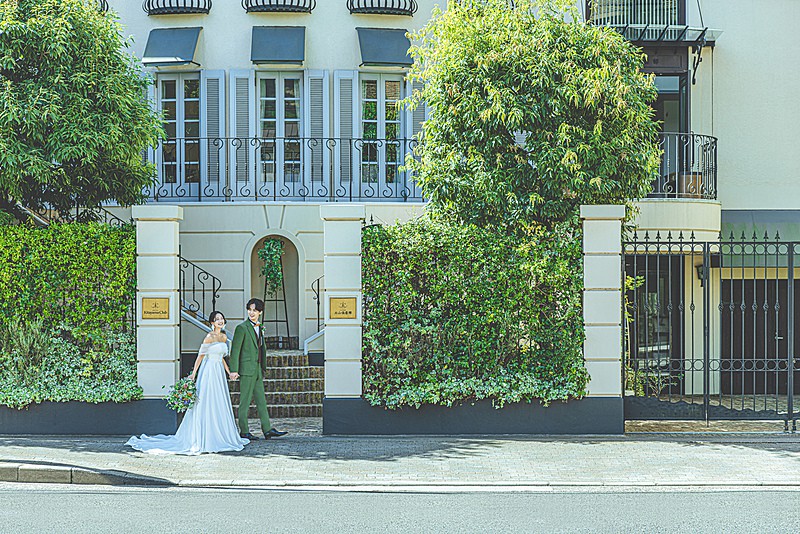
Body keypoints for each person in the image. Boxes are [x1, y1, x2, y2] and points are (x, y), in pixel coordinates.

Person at [126, 311, 249, 455]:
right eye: (217, 319)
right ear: (212, 322)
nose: (220, 321)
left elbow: (221, 357)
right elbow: (200, 356)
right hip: (209, 372)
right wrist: (194, 374)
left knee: (219, 400)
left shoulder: (224, 336)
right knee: (207, 400)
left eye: (222, 318)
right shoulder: (209, 337)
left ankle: (220, 433)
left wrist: (229, 372)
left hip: (219, 373)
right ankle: (204, 437)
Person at [229, 298, 287, 440]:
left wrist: (262, 367)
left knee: (261, 401)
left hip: (257, 369)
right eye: (249, 310)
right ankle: (244, 431)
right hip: (246, 370)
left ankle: (267, 429)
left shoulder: (260, 327)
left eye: (254, 310)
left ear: (260, 312)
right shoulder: (241, 328)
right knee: (245, 401)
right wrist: (234, 370)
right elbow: (235, 350)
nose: (251, 313)